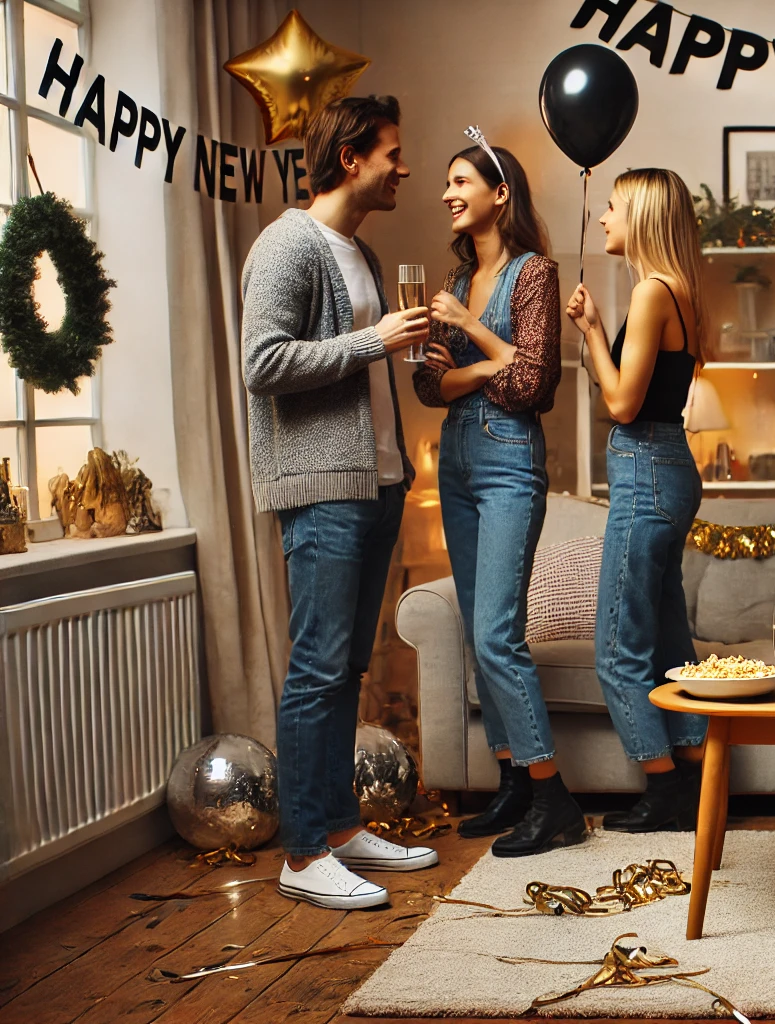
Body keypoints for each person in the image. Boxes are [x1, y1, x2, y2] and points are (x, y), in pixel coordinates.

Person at [240, 95, 439, 909]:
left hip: (376, 484)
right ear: (351, 157)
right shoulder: (289, 244)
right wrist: (373, 341)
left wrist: (397, 460)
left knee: (348, 666)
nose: (405, 166)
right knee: (318, 669)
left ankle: (338, 828)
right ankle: (300, 852)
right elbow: (262, 361)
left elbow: (362, 367)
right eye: (394, 151)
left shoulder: (359, 247)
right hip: (321, 491)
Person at [412, 133, 580, 857]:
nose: (448, 193)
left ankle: (554, 798)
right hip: (457, 458)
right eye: (447, 183)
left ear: (499, 193)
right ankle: (513, 781)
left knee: (495, 632)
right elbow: (428, 385)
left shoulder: (533, 274)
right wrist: (486, 368)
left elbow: (536, 385)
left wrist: (473, 340)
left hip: (511, 461)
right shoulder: (451, 283)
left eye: (461, 181)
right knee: (481, 632)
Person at [564, 168, 708, 834]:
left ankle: (664, 784)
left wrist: (591, 332)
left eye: (614, 207)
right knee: (670, 639)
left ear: (644, 216)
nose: (603, 218)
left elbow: (621, 402)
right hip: (666, 464)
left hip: (646, 466)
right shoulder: (679, 289)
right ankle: (698, 770)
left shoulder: (652, 292)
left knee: (619, 646)